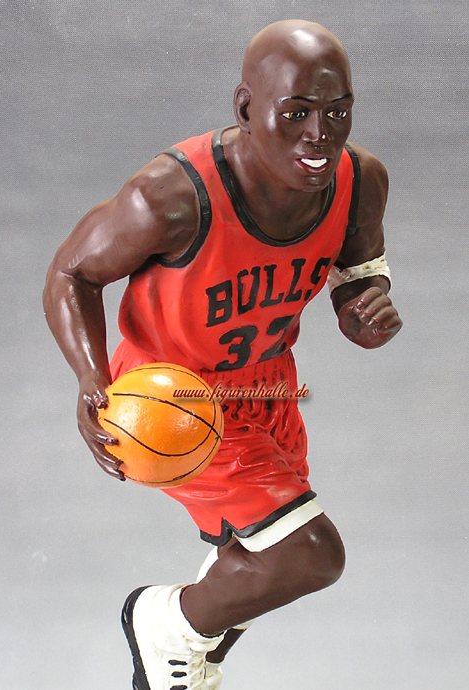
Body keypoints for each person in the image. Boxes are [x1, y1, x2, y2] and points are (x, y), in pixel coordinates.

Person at [44, 19, 402, 690]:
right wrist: (92, 379)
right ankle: (163, 623)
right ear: (245, 108)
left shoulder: (359, 180)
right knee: (307, 555)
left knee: (249, 559)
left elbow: (357, 270)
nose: (318, 134)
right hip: (172, 395)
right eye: (295, 112)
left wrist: (364, 307)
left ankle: (187, 663)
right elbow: (72, 274)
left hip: (267, 387)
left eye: (337, 111)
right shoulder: (171, 196)